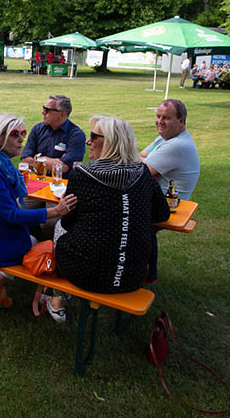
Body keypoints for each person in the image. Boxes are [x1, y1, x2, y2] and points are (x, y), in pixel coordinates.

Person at [44, 116, 169, 322]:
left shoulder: (82, 174)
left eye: (93, 136)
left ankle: (57, 296)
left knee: (58, 226)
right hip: (133, 276)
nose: (88, 141)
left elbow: (68, 222)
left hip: (85, 274)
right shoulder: (142, 173)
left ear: (111, 142)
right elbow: (161, 214)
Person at [0, 114, 77, 309]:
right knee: (35, 242)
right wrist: (56, 212)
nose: (21, 139)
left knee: (23, 235)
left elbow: (8, 211)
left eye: (23, 133)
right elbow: (13, 215)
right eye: (15, 134)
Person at [140, 99, 200, 282]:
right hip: (156, 200)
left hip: (170, 207)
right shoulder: (165, 137)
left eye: (166, 118)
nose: (159, 121)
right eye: (158, 116)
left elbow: (140, 171)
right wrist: (148, 168)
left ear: (181, 121)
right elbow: (141, 157)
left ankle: (144, 273)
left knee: (126, 217)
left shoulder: (176, 145)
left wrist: (149, 169)